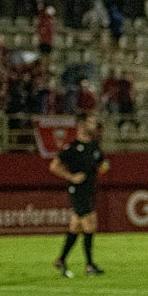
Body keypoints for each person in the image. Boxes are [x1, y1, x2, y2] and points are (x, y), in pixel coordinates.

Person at [49, 112, 110, 277]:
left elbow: (101, 164)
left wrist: (103, 167)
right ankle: (90, 265)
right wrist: (71, 177)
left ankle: (61, 259)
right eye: (90, 122)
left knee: (75, 227)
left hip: (90, 190)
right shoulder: (73, 148)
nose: (93, 125)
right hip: (78, 191)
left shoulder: (94, 146)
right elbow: (54, 166)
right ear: (81, 125)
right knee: (90, 225)